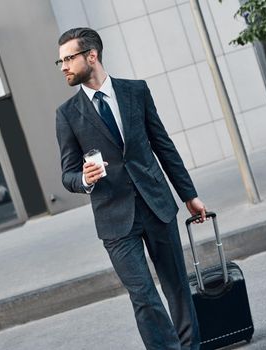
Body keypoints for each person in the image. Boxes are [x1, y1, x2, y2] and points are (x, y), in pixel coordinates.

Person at [55, 27, 207, 350]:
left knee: (177, 287)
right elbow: (67, 174)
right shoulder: (67, 115)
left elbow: (162, 145)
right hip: (114, 219)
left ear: (91, 56)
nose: (64, 66)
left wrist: (189, 195)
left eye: (69, 58)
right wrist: (84, 179)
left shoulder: (135, 92)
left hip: (156, 204)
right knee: (143, 297)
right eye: (61, 61)